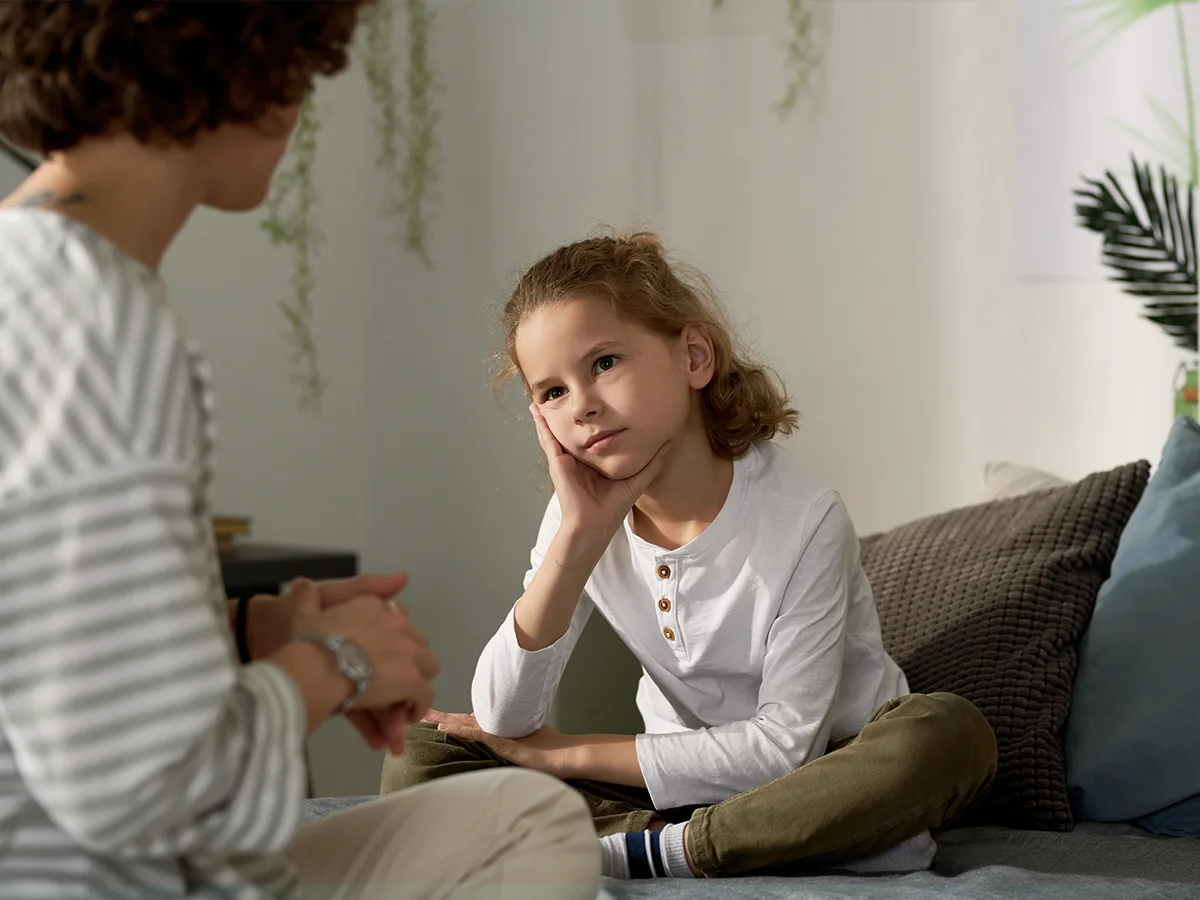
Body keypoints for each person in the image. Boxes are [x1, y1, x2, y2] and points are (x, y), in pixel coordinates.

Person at [0, 3, 599, 898]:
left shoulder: (27, 271)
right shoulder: (104, 330)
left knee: (528, 815)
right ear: (248, 62)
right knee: (531, 831)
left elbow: (46, 653)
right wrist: (334, 665)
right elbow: (140, 789)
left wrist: (247, 638)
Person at [381, 231, 999, 880]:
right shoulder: (579, 515)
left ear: (694, 356)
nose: (583, 405)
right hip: (674, 788)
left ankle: (665, 850)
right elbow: (506, 716)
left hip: (819, 774)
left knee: (947, 733)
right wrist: (575, 543)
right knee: (423, 752)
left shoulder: (804, 518)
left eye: (604, 363)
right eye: (552, 393)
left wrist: (560, 756)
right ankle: (686, 845)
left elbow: (783, 751)